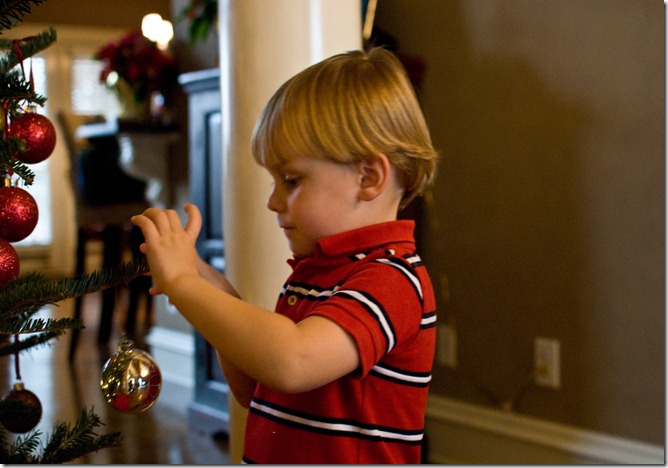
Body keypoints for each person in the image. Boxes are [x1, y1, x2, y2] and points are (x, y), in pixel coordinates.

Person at [131, 47, 439, 464]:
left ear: (368, 177)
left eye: (291, 180)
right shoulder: (317, 273)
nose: (272, 201)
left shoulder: (392, 278)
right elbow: (254, 387)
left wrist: (184, 285)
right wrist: (207, 282)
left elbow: (291, 363)